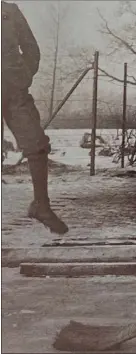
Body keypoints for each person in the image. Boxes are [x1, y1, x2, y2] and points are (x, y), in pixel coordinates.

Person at [2, 1, 69, 234]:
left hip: (13, 91)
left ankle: (41, 205)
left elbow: (31, 49)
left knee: (37, 143)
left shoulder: (9, 11)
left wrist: (23, 75)